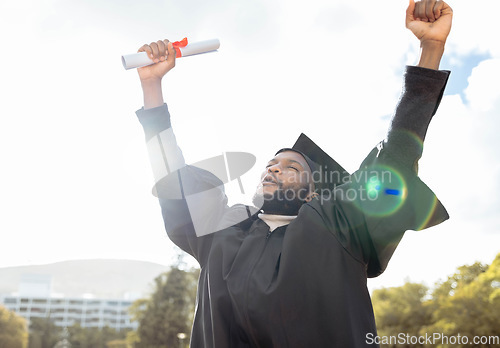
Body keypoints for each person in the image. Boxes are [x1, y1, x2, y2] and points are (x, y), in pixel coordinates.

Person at [132, 0, 453, 346]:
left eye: (290, 167)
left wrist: (430, 48)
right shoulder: (221, 232)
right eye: (271, 165)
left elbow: (395, 158)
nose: (274, 170)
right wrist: (152, 87)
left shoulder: (339, 224)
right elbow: (172, 178)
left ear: (313, 191)